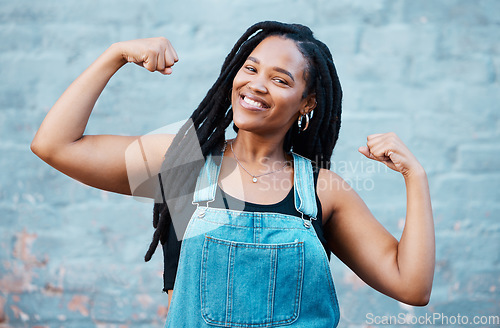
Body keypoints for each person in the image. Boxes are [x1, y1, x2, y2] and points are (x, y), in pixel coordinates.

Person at [31, 21, 435, 327]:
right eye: (251, 68)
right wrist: (114, 54)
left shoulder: (322, 190)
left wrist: (415, 176)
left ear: (306, 103)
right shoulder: (183, 162)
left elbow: (411, 286)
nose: (256, 85)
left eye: (280, 80)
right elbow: (55, 145)